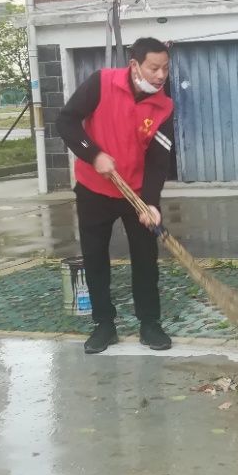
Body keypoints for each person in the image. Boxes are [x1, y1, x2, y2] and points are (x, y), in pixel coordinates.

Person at [57, 37, 175, 354]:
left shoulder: (164, 106)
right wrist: (93, 154)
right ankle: (104, 325)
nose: (160, 75)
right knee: (95, 258)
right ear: (134, 65)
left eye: (165, 68)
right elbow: (66, 121)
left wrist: (150, 203)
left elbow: (158, 161)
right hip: (94, 188)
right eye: (154, 68)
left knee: (146, 259)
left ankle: (150, 323)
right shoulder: (102, 83)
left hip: (135, 193)